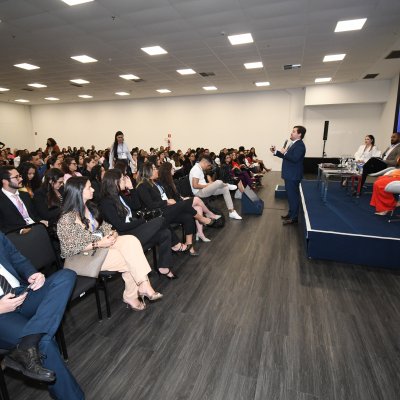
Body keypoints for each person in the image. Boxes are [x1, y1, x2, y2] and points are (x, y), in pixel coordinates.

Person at [57, 176, 162, 311]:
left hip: (102, 246)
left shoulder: (89, 207)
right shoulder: (66, 219)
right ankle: (134, 293)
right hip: (85, 257)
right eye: (89, 187)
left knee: (131, 241)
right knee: (130, 258)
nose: (93, 189)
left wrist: (113, 233)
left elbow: (105, 227)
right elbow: (68, 250)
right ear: (79, 191)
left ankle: (143, 285)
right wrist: (99, 243)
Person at [0, 232, 84, 399]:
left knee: (67, 275)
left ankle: (28, 343)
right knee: (44, 341)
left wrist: (31, 273)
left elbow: (15, 257)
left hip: (20, 293)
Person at [100, 169, 177, 279]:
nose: (125, 181)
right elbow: (120, 226)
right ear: (114, 182)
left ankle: (164, 266)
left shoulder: (120, 196)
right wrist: (143, 220)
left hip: (135, 228)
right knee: (161, 220)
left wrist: (131, 189)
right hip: (126, 235)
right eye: (122, 179)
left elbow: (136, 205)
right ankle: (177, 245)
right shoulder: (106, 202)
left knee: (165, 233)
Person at [136, 162, 206, 255]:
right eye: (154, 168)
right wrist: (166, 202)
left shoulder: (157, 182)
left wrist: (169, 201)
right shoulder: (142, 186)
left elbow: (165, 196)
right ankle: (202, 219)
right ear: (148, 172)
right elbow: (150, 205)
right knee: (184, 204)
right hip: (159, 214)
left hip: (167, 209)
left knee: (188, 217)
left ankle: (189, 246)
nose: (157, 170)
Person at [158, 162, 221, 242]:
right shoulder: (163, 183)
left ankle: (200, 233)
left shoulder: (170, 181)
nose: (174, 169)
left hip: (178, 203)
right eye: (172, 168)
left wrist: (183, 198)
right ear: (167, 171)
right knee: (197, 199)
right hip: (172, 206)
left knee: (198, 208)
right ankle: (209, 214)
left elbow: (176, 196)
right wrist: (182, 200)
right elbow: (170, 199)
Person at [270, 125, 307, 225]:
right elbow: (286, 156)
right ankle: (291, 213)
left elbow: (294, 158)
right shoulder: (293, 144)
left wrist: (285, 153)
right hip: (290, 174)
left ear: (299, 134)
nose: (291, 133)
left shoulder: (300, 145)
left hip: (293, 175)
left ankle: (294, 217)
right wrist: (276, 152)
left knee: (293, 197)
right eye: (292, 131)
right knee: (290, 196)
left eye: (294, 131)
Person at [0, 165, 44, 233]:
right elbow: (2, 228)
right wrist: (20, 231)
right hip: (16, 236)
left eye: (19, 176)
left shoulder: (25, 195)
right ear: (5, 181)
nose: (21, 179)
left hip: (35, 229)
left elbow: (34, 214)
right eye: (16, 177)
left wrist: (41, 221)